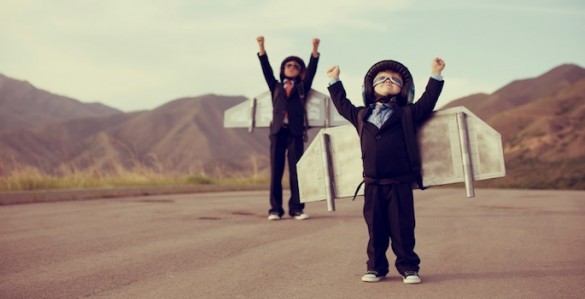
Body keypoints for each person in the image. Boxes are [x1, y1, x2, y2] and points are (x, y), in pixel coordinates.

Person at [325, 57, 446, 283]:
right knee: (375, 228)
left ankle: (409, 267)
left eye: (394, 79)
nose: (388, 81)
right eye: (382, 79)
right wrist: (334, 81)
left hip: (399, 182)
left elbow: (428, 100)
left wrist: (435, 74)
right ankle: (376, 267)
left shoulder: (408, 114)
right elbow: (342, 105)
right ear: (371, 88)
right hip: (372, 184)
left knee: (403, 228)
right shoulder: (361, 115)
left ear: (404, 89)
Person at [256, 36, 320, 221]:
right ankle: (275, 209)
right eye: (289, 65)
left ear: (300, 72)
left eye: (296, 66)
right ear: (283, 70)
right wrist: (261, 47)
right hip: (277, 132)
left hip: (295, 132)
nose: (292, 67)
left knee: (296, 171)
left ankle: (297, 209)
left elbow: (312, 72)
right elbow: (265, 69)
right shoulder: (275, 86)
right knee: (276, 171)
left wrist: (314, 51)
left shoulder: (302, 87)